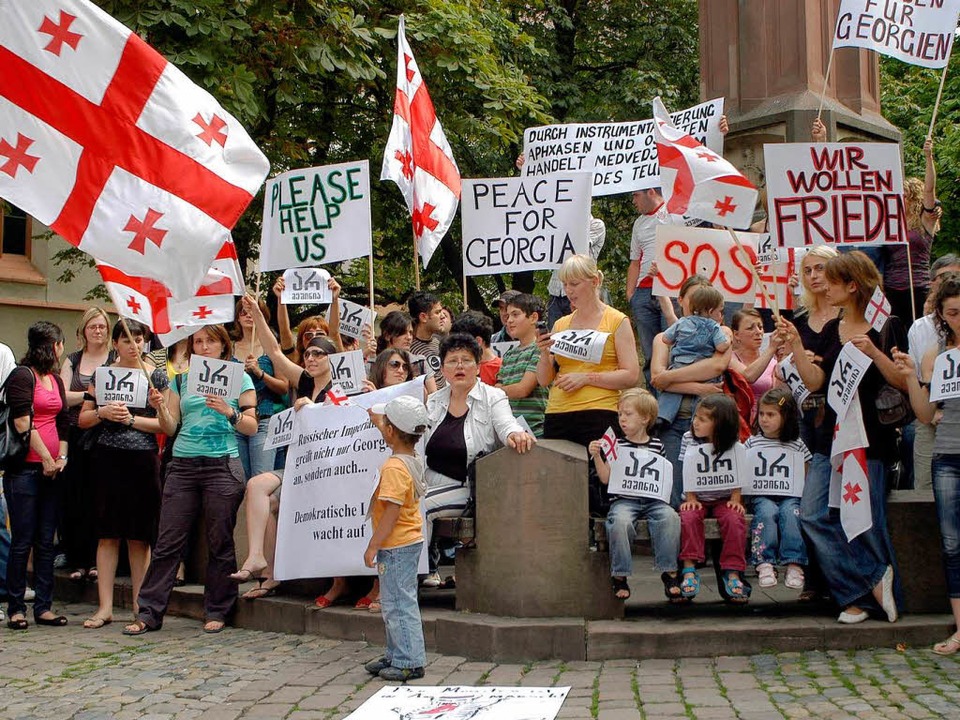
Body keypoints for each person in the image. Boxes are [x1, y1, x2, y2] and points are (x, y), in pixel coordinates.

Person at [777, 251, 904, 624]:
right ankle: (866, 583)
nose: (823, 286)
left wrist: (875, 354)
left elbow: (904, 381)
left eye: (832, 281)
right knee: (814, 515)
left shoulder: (886, 325)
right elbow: (817, 382)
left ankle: (870, 601)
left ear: (852, 286)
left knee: (868, 522)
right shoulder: (832, 330)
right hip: (828, 438)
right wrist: (798, 349)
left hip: (871, 441)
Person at [124, 325, 257, 636]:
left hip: (221, 462)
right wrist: (160, 408)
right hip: (183, 463)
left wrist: (230, 412)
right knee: (168, 540)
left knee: (219, 539)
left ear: (223, 346)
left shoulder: (240, 378)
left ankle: (218, 609)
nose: (204, 346)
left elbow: (251, 426)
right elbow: (170, 428)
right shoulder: (181, 379)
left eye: (210, 340)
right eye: (198, 341)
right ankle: (149, 612)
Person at [76, 320, 168, 629]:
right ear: (116, 343)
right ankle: (104, 606)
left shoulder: (154, 375)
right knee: (107, 535)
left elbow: (166, 425)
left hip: (142, 459)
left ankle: (139, 605)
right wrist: (102, 413)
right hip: (107, 458)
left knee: (139, 537)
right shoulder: (103, 375)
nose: (133, 345)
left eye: (139, 339)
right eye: (127, 340)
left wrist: (132, 420)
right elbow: (83, 419)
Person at [422, 333, 534, 587]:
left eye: (466, 360)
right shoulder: (434, 400)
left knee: (421, 507)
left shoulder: (493, 397)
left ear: (477, 365)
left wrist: (515, 434)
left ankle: (416, 574)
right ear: (443, 367)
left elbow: (506, 424)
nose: (459, 366)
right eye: (452, 361)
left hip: (472, 488)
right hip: (431, 482)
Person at [537, 255, 640, 517]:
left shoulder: (617, 321)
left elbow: (631, 374)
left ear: (594, 281)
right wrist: (544, 354)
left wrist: (587, 378)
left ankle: (603, 546)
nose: (568, 291)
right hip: (558, 412)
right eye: (565, 285)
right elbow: (543, 379)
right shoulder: (560, 324)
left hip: (599, 411)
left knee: (599, 485)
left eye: (574, 284)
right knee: (560, 486)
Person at [895, 273, 960, 653]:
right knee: (952, 543)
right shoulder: (938, 356)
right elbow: (923, 414)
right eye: (953, 313)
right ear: (942, 315)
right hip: (948, 454)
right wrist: (910, 379)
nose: (959, 319)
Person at [4, 321, 70, 630]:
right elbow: (22, 422)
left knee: (46, 540)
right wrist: (45, 457)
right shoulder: (22, 375)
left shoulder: (55, 380)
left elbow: (64, 421)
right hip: (26, 469)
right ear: (52, 345)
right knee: (23, 540)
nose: (61, 350)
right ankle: (16, 606)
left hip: (53, 469)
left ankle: (43, 606)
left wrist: (61, 457)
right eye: (59, 344)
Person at [589, 389, 681, 602]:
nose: (622, 418)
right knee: (619, 522)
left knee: (670, 517)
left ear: (645, 418)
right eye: (620, 414)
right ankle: (620, 574)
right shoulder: (617, 445)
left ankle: (669, 571)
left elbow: (664, 478)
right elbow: (605, 478)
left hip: (652, 500)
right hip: (624, 499)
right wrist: (596, 456)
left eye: (628, 414)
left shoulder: (658, 445)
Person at [650, 275, 733, 507]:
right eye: (695, 296)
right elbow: (657, 378)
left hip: (709, 423)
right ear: (682, 300)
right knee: (674, 490)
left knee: (710, 493)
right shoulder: (663, 338)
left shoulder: (722, 330)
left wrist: (670, 377)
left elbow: (716, 365)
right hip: (672, 421)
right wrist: (699, 386)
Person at [363, 395, 430, 682]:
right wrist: (379, 421)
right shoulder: (410, 458)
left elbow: (391, 511)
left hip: (396, 545)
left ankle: (408, 661)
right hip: (408, 540)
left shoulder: (393, 467)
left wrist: (373, 544)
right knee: (395, 601)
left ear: (391, 432)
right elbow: (396, 432)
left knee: (398, 604)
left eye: (385, 425)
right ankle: (395, 653)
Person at [677, 394, 749, 603]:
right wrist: (690, 496)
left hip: (723, 497)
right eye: (695, 417)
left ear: (719, 424)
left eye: (702, 419)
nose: (695, 422)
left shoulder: (733, 442)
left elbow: (738, 471)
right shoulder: (688, 439)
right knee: (688, 517)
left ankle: (733, 571)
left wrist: (736, 499)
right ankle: (689, 568)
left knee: (735, 519)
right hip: (697, 496)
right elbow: (686, 469)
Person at [59, 307, 112, 583]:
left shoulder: (115, 358)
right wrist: (90, 395)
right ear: (83, 331)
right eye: (93, 326)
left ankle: (97, 561)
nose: (98, 331)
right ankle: (77, 559)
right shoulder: (73, 360)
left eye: (102, 326)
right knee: (76, 496)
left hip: (108, 437)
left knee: (101, 498)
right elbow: (62, 397)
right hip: (76, 435)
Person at [746, 387, 811, 591]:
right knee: (766, 512)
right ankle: (764, 562)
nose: (764, 419)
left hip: (790, 496)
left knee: (791, 513)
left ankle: (794, 562)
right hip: (762, 495)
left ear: (786, 416)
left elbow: (806, 469)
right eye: (762, 414)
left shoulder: (797, 444)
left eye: (771, 414)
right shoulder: (752, 442)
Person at [906, 254, 960, 491]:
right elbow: (925, 408)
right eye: (953, 313)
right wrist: (909, 375)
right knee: (926, 494)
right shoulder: (923, 333)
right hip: (935, 430)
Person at [626, 187, 684, 386]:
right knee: (650, 353)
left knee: (673, 348)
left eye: (635, 194)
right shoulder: (638, 223)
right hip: (643, 293)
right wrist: (630, 294)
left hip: (673, 291)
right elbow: (634, 261)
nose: (633, 201)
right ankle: (653, 407)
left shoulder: (677, 213)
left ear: (650, 191)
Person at [787, 245, 841, 453]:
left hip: (839, 408)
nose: (813, 276)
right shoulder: (801, 316)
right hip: (805, 407)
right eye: (807, 271)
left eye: (820, 268)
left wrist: (817, 359)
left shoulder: (849, 313)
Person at [231, 297, 290, 478]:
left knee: (260, 478)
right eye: (243, 312)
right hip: (235, 420)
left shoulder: (271, 348)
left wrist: (260, 373)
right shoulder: (229, 347)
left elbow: (284, 387)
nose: (248, 316)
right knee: (240, 479)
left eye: (253, 312)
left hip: (265, 419)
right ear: (237, 317)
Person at [883, 137, 939, 324]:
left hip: (917, 287)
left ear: (914, 198)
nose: (899, 199)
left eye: (904, 196)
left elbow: (930, 190)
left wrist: (928, 157)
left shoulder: (925, 220)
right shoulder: (890, 222)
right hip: (892, 288)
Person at [657, 286, 730, 427]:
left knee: (670, 394)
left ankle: (663, 415)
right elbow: (721, 347)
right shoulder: (714, 326)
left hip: (679, 364)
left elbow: (666, 339)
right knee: (706, 395)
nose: (721, 315)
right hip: (701, 368)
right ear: (710, 311)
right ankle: (697, 419)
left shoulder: (682, 322)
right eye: (720, 311)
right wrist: (727, 340)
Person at [497, 293, 549, 437]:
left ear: (533, 317)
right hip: (511, 431)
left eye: (515, 315)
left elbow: (523, 389)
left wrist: (499, 391)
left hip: (537, 432)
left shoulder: (541, 349)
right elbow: (498, 387)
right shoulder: (508, 355)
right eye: (508, 316)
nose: (509, 321)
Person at [548, 218, 607, 329]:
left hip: (582, 294)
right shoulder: (558, 223)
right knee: (554, 339)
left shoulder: (596, 224)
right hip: (556, 293)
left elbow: (577, 246)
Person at [729, 308, 782, 419]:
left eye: (760, 327)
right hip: (737, 421)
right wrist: (772, 348)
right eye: (750, 328)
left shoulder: (773, 362)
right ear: (736, 334)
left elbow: (779, 398)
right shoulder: (729, 358)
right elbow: (748, 376)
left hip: (764, 422)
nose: (758, 332)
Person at [451, 311, 501, 386]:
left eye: (460, 342)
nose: (456, 347)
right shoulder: (456, 367)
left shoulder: (501, 368)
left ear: (478, 341)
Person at [409, 290, 447, 389]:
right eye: (437, 312)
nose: (443, 316)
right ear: (423, 317)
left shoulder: (439, 343)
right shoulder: (409, 348)